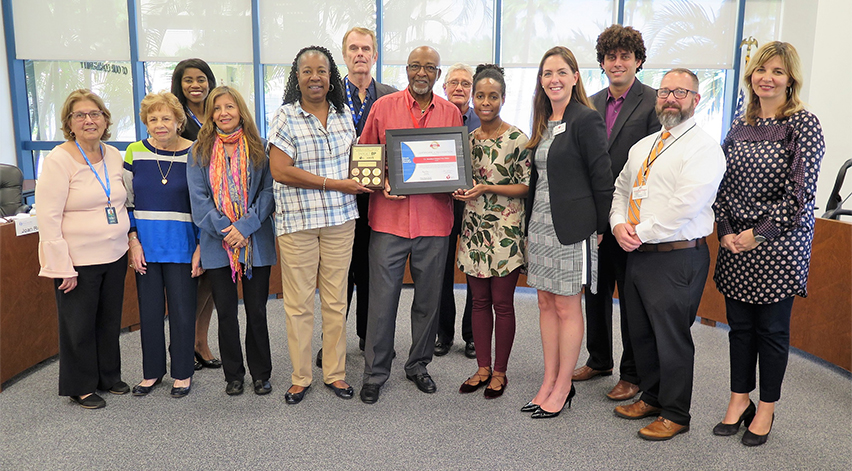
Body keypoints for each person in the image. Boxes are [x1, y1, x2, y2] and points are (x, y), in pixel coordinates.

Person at [712, 42, 825, 447]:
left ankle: (766, 408)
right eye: (761, 70)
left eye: (777, 71)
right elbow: (719, 184)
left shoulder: (803, 125)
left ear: (790, 79)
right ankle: (738, 399)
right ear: (750, 76)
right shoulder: (738, 126)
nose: (767, 78)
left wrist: (757, 234)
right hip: (734, 243)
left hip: (779, 245)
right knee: (739, 329)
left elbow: (800, 194)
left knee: (772, 331)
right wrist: (725, 228)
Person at [611, 68, 725, 441]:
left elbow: (685, 205)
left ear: (696, 99)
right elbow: (622, 189)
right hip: (638, 252)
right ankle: (653, 397)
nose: (671, 98)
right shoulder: (643, 146)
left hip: (677, 256)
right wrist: (617, 226)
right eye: (665, 91)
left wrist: (638, 233)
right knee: (641, 332)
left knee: (671, 337)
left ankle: (676, 414)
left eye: (681, 92)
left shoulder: (704, 148)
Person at [358, 45, 463, 404]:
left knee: (428, 301)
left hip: (434, 222)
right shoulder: (382, 108)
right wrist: (382, 181)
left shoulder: (451, 113)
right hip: (388, 220)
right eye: (415, 66)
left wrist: (459, 181)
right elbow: (365, 160)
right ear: (406, 70)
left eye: (429, 67)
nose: (422, 72)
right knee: (382, 301)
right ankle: (375, 372)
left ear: (437, 73)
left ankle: (418, 364)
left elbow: (456, 166)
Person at [268, 45, 370, 404]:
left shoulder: (343, 115)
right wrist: (333, 183)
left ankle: (336, 374)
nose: (315, 77)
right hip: (299, 222)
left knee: (335, 299)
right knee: (298, 303)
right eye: (307, 71)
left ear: (331, 77)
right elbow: (280, 170)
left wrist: (378, 179)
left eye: (322, 71)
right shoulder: (285, 116)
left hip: (341, 220)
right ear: (297, 77)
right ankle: (300, 376)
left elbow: (358, 163)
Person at [520, 46, 613, 419]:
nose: (553, 79)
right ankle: (549, 379)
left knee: (566, 305)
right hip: (541, 224)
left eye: (561, 72)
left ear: (575, 77)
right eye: (547, 74)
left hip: (573, 228)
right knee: (544, 303)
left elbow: (602, 177)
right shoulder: (544, 120)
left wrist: (601, 226)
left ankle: (564, 386)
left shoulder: (585, 119)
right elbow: (538, 179)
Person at [574, 25, 661, 402]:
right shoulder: (589, 103)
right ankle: (599, 358)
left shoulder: (655, 102)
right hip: (595, 220)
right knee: (594, 292)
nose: (618, 62)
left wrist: (634, 220)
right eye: (611, 56)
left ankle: (632, 373)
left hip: (630, 221)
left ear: (638, 60)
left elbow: (658, 164)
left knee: (630, 301)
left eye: (626, 56)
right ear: (603, 62)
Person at [35, 89, 130, 409]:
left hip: (115, 254)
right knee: (78, 324)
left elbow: (120, 201)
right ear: (69, 124)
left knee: (108, 319)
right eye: (80, 115)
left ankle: (108, 375)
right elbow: (47, 217)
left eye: (95, 114)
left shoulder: (113, 154)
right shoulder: (59, 160)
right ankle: (80, 384)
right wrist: (61, 265)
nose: (89, 120)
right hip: (78, 260)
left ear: (105, 120)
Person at [186, 86, 276, 397]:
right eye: (217, 108)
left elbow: (268, 194)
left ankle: (261, 374)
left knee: (257, 311)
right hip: (217, 244)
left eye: (230, 106)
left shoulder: (260, 148)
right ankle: (233, 375)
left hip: (256, 244)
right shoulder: (198, 152)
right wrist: (228, 230)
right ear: (210, 114)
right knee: (226, 313)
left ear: (240, 111)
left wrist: (245, 227)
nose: (224, 113)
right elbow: (199, 201)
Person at [454, 64, 529, 399]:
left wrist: (486, 187)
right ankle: (482, 367)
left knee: (502, 303)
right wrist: (461, 190)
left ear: (502, 98)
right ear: (473, 97)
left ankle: (500, 372)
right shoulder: (465, 141)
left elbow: (526, 186)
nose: (486, 102)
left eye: (493, 96)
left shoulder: (518, 139)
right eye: (480, 95)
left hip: (505, 230)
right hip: (473, 229)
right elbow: (459, 180)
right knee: (479, 302)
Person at [124, 92, 200, 398]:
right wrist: (132, 240)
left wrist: (200, 247)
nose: (159, 124)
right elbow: (125, 202)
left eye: (166, 118)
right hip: (146, 246)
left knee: (183, 312)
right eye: (153, 119)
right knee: (150, 312)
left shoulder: (195, 153)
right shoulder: (133, 153)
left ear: (179, 121)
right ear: (145, 122)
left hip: (183, 245)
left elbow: (202, 203)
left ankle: (183, 373)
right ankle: (152, 372)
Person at [337, 27, 396, 360]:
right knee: (340, 273)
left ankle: (367, 336)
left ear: (375, 55)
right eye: (353, 48)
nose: (360, 54)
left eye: (366, 49)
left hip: (379, 200)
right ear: (345, 55)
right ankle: (334, 341)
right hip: (339, 200)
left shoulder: (390, 95)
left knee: (373, 270)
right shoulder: (329, 96)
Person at [170, 58, 222, 371]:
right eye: (188, 80)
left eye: (201, 79)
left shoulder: (219, 112)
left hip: (221, 206)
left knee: (214, 279)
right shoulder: (176, 118)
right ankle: (186, 342)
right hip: (189, 205)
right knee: (195, 276)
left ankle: (200, 341)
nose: (195, 85)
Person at [436, 62, 477, 359]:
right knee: (441, 271)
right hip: (441, 204)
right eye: (454, 82)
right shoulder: (435, 119)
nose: (460, 87)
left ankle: (472, 335)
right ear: (444, 87)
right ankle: (444, 334)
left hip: (475, 205)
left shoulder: (483, 121)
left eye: (465, 83)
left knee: (475, 271)